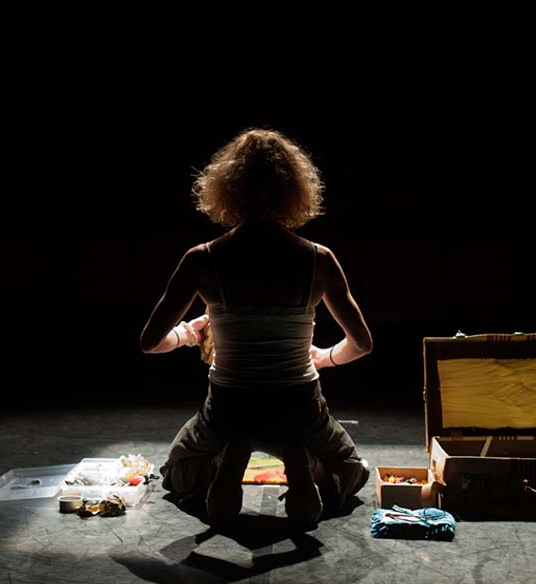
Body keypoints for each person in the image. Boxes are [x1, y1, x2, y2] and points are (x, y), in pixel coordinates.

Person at [140, 128, 373, 527]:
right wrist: (325, 357)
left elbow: (150, 343)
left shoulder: (202, 259)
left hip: (229, 404)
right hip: (299, 402)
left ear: (225, 188)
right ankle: (297, 458)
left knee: (176, 472)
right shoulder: (319, 259)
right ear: (294, 190)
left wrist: (189, 333)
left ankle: (233, 453)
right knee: (352, 471)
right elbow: (363, 344)